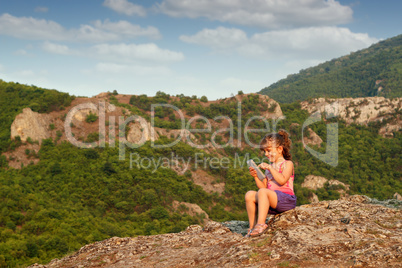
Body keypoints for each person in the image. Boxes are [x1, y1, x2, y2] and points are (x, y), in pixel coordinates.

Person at [244, 130, 297, 237]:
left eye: (268, 150)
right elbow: (263, 187)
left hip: (286, 200)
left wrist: (270, 168)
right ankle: (252, 227)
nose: (266, 154)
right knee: (249, 194)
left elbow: (282, 180)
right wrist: (255, 177)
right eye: (264, 152)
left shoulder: (287, 164)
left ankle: (261, 224)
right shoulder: (269, 168)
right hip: (272, 202)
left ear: (280, 149)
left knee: (263, 192)